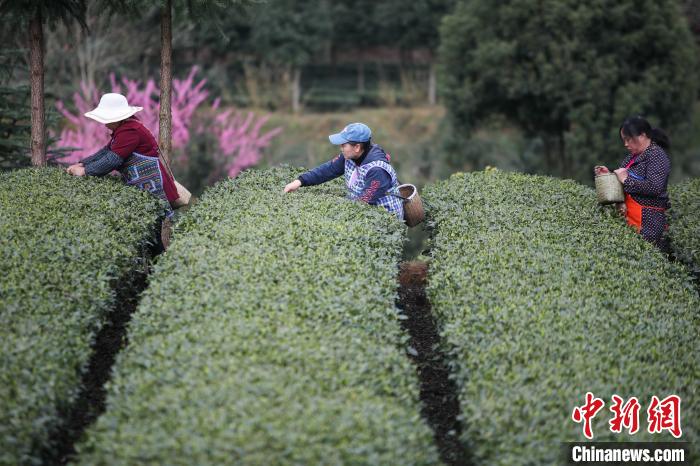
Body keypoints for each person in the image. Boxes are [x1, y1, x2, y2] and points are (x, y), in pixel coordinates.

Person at [65, 93, 180, 214]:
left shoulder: (130, 131)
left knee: (156, 221)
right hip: (143, 183)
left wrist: (85, 171)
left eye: (107, 119)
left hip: (154, 185)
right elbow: (106, 151)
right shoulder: (124, 129)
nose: (104, 124)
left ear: (117, 118)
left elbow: (112, 160)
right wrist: (82, 164)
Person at [283, 122, 404, 220]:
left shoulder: (377, 170)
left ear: (357, 147)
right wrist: (299, 181)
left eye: (343, 145)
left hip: (384, 219)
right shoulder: (351, 156)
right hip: (364, 211)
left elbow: (364, 203)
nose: (340, 148)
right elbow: (328, 170)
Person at [594, 116, 671, 249]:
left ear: (642, 135)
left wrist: (625, 179)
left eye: (628, 139)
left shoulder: (657, 156)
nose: (625, 144)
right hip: (628, 217)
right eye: (624, 140)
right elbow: (623, 184)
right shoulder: (632, 157)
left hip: (647, 222)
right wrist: (609, 176)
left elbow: (655, 187)